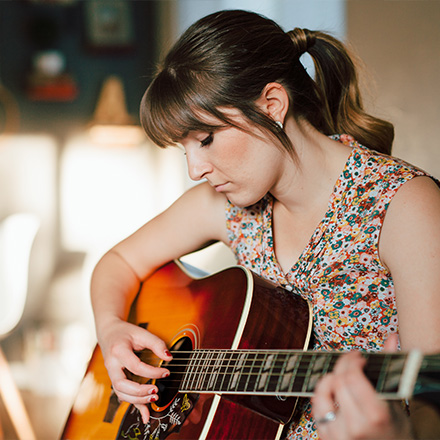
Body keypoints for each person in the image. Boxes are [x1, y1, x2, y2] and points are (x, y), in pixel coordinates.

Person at [90, 9, 440, 439]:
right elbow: (118, 261)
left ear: (272, 105)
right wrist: (110, 329)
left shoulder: (403, 205)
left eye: (206, 138)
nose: (195, 169)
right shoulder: (223, 206)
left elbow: (431, 408)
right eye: (185, 149)